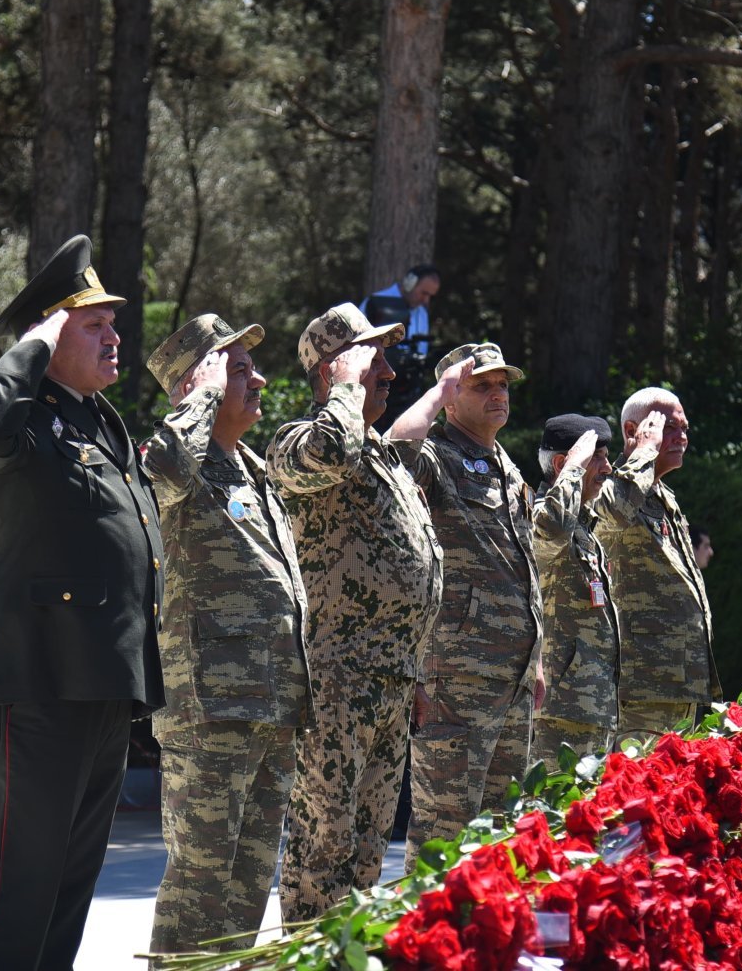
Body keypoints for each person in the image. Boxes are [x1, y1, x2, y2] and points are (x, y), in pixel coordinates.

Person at [0, 235, 163, 971]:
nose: (114, 337)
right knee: (20, 882)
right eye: (93, 324)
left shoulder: (96, 419)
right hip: (39, 682)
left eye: (113, 324)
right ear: (47, 335)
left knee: (69, 887)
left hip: (102, 682)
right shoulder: (16, 417)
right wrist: (35, 341)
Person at [266, 303, 443, 921]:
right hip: (337, 686)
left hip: (390, 683)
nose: (389, 373)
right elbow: (329, 454)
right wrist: (345, 387)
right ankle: (305, 955)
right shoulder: (299, 443)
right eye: (374, 361)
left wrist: (415, 671)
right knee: (324, 849)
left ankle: (346, 955)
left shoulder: (380, 456)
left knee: (368, 856)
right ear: (333, 371)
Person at [139, 315, 310, 952]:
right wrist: (202, 397)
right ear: (198, 382)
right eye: (238, 369)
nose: (258, 380)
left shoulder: (254, 469)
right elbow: (162, 467)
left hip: (273, 706)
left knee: (246, 892)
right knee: (200, 887)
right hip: (210, 709)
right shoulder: (176, 460)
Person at [387, 342, 543, 865]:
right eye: (482, 385)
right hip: (456, 677)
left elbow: (524, 568)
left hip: (513, 677)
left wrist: (538, 659)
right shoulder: (437, 456)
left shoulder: (506, 466)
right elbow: (394, 453)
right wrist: (437, 392)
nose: (498, 393)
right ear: (453, 398)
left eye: (503, 385)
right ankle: (428, 920)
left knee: (502, 833)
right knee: (444, 831)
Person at [593, 387, 722, 740]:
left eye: (685, 429)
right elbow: (612, 514)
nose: (681, 438)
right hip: (642, 685)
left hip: (679, 681)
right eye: (669, 428)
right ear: (631, 430)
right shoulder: (611, 486)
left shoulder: (662, 495)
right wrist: (645, 451)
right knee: (637, 776)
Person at [529, 415, 620, 766]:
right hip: (560, 710)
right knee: (550, 801)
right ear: (561, 464)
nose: (608, 468)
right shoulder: (541, 516)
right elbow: (550, 533)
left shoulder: (584, 527)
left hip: (592, 709)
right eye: (597, 458)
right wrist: (573, 470)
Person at [360, 264, 440, 355]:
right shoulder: (373, 302)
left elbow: (422, 351)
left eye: (430, 296)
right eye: (424, 293)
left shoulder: (422, 313)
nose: (426, 300)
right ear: (409, 284)